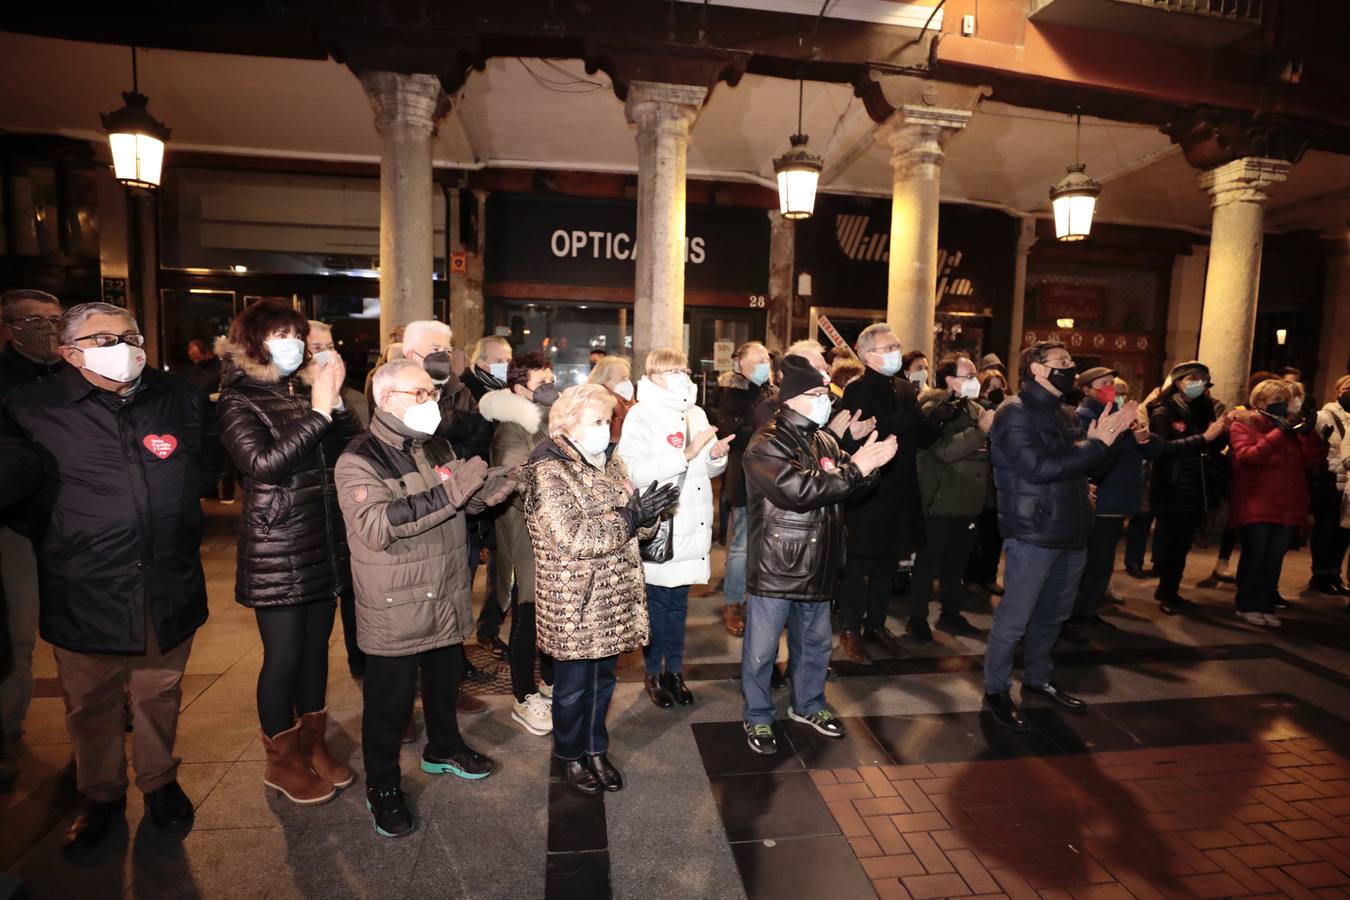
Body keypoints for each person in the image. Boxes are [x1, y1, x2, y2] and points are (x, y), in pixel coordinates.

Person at [1, 302, 209, 854]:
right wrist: (69, 537)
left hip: (166, 580)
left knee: (158, 692)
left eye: (131, 335)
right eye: (104, 339)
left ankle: (160, 782)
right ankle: (101, 796)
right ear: (69, 353)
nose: (125, 347)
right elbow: (19, 495)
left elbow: (202, 470)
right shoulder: (32, 407)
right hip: (85, 583)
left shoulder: (179, 398)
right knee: (89, 701)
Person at [335, 359, 510, 838]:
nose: (432, 402)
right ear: (387, 398)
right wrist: (455, 494)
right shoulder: (359, 457)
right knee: (388, 703)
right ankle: (384, 786)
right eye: (420, 394)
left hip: (446, 587)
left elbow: (458, 499)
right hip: (396, 599)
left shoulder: (436, 443)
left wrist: (486, 492)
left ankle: (444, 747)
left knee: (444, 680)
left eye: (433, 394)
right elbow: (375, 526)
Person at [217, 300, 359, 805]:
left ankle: (313, 743)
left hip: (322, 538)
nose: (294, 344)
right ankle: (281, 761)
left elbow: (348, 451)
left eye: (297, 334)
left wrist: (335, 406)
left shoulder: (302, 391)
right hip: (278, 546)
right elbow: (263, 465)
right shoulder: (238, 400)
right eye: (280, 334)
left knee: (318, 652)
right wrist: (319, 412)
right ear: (253, 341)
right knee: (284, 656)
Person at [521, 384, 680, 794]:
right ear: (568, 424)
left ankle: (596, 749)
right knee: (573, 689)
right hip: (575, 601)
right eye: (597, 420)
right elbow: (574, 538)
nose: (606, 428)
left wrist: (649, 513)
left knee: (604, 682)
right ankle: (569, 758)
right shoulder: (548, 470)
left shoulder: (610, 463)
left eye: (608, 419)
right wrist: (630, 515)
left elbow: (637, 531)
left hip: (613, 599)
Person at [740, 356, 896, 754]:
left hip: (821, 561)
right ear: (793, 399)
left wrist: (868, 466)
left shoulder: (823, 438)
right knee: (762, 649)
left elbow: (844, 485)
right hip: (778, 563)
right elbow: (797, 491)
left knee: (815, 645)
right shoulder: (767, 442)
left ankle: (808, 705)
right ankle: (757, 716)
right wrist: (856, 469)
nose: (827, 401)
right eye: (819, 394)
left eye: (827, 393)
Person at [982, 341, 1137, 732]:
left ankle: (1038, 677)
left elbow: (1087, 465)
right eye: (1062, 362)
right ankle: (996, 690)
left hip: (1071, 527)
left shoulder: (1064, 412)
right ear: (1036, 369)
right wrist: (1097, 443)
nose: (1070, 368)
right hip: (1034, 530)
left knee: (1053, 615)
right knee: (1015, 618)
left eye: (1070, 361)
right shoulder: (1013, 413)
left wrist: (1113, 439)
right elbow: (1037, 467)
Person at [618, 349, 731, 708]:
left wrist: (715, 457)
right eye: (673, 370)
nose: (682, 375)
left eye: (684, 368)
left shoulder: (694, 413)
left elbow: (709, 468)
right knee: (656, 604)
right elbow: (631, 470)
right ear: (654, 376)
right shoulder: (641, 414)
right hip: (660, 525)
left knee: (679, 606)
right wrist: (684, 454)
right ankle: (653, 673)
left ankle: (675, 671)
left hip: (691, 524)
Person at [402, 321, 491, 716]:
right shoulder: (395, 387)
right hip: (415, 519)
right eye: (434, 348)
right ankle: (403, 701)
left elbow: (478, 436)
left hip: (460, 515)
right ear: (410, 355)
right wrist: (450, 428)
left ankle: (448, 685)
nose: (444, 355)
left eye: (448, 348)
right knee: (413, 612)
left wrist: (447, 428)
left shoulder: (459, 389)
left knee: (455, 601)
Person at [837, 323, 938, 662]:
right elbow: (857, 438)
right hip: (869, 491)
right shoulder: (858, 390)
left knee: (887, 563)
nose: (896, 352)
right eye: (887, 347)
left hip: (901, 488)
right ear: (867, 355)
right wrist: (903, 419)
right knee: (859, 563)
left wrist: (936, 415)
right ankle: (850, 627)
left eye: (897, 345)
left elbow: (923, 437)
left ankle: (876, 624)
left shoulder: (905, 389)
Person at [0, 288, 63, 788]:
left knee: (83, 635)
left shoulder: (74, 374)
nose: (46, 329)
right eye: (34, 321)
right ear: (10, 327)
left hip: (72, 523)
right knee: (19, 635)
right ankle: (8, 734)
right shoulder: (5, 384)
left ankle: (100, 719)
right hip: (17, 526)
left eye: (54, 319)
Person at [480, 352, 557, 735]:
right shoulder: (512, 428)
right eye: (541, 383)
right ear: (519, 388)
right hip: (525, 533)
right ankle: (523, 695)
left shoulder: (551, 420)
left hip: (554, 532)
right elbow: (519, 477)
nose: (549, 388)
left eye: (551, 379)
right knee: (526, 615)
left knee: (552, 612)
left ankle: (550, 682)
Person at [1063, 368, 1164, 638]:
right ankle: (1073, 614)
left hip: (1120, 497)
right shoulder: (1084, 416)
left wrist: (1143, 436)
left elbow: (1154, 449)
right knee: (1091, 561)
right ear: (1087, 389)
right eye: (1105, 384)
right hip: (1101, 497)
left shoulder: (1123, 416)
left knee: (1103, 562)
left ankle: (1087, 610)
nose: (1113, 390)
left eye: (1116, 387)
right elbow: (1088, 456)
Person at [910, 354, 993, 642]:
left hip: (968, 502)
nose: (975, 381)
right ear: (949, 379)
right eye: (968, 376)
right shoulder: (935, 408)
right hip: (940, 500)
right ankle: (917, 618)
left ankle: (951, 614)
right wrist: (980, 431)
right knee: (928, 564)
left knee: (956, 566)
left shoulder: (974, 408)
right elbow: (943, 451)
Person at [1228, 379, 1324, 626]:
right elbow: (1248, 456)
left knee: (1274, 559)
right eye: (1278, 401)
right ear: (1260, 402)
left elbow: (1313, 463)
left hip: (1287, 504)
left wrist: (1307, 435)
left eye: (1287, 401)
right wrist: (1280, 433)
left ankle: (1265, 604)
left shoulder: (1289, 429)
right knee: (1255, 555)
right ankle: (1247, 604)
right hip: (1257, 501)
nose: (1285, 406)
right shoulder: (1244, 424)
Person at [1147, 362, 1230, 616]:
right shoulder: (1163, 411)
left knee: (1183, 544)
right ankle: (1167, 593)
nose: (1198, 384)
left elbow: (1213, 446)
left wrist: (1221, 432)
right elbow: (1163, 449)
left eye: (1202, 379)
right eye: (1192, 379)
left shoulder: (1203, 409)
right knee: (1173, 543)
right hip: (1173, 485)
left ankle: (1170, 590)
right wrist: (1203, 438)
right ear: (1178, 381)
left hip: (1198, 484)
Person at [714, 341, 775, 637]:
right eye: (760, 359)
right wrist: (767, 425)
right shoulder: (733, 393)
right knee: (740, 545)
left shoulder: (771, 391)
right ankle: (733, 602)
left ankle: (760, 599)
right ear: (741, 363)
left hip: (772, 478)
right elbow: (732, 433)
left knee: (766, 545)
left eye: (767, 358)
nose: (766, 363)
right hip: (744, 476)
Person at [463, 335, 515, 659]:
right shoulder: (469, 391)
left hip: (500, 490)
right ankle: (457, 644)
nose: (506, 365)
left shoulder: (505, 393)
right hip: (474, 490)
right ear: (482, 361)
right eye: (500, 359)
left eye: (509, 359)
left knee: (501, 566)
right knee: (465, 571)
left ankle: (488, 629)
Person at [965, 365, 1010, 596]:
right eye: (990, 387)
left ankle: (989, 575)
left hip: (998, 478)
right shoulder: (977, 409)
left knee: (994, 532)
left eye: (999, 386)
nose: (996, 390)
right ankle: (971, 576)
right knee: (977, 532)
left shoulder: (1009, 410)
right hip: (979, 478)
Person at [1311, 375, 1350, 595]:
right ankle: (1320, 574)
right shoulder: (1323, 416)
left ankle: (1334, 574)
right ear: (1337, 391)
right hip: (1331, 480)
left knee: (1343, 532)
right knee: (1326, 529)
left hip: (1349, 484)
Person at [306, 321, 369, 426]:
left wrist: (337, 403)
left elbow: (353, 438)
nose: (327, 353)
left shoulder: (355, 399)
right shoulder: (290, 397)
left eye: (330, 347)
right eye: (317, 348)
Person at [587, 354, 636, 443]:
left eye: (628, 378)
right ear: (605, 381)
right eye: (623, 378)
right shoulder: (597, 407)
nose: (628, 382)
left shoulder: (628, 405)